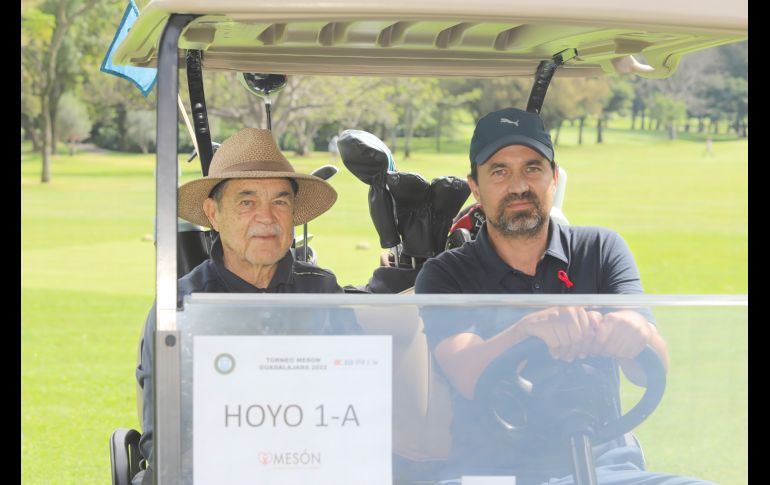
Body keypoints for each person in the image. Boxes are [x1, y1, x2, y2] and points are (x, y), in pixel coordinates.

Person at [415, 107, 712, 484]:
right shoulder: (446, 273)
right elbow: (467, 373)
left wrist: (636, 332)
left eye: (532, 168)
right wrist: (527, 330)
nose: (518, 186)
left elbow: (650, 368)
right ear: (475, 187)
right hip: (493, 472)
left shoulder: (600, 249)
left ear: (553, 178)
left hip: (605, 467)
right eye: (500, 172)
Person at [134, 128, 348, 484]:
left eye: (280, 202)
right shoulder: (180, 307)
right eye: (247, 203)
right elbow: (164, 443)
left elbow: (358, 402)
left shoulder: (323, 292)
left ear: (293, 214)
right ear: (213, 214)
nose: (266, 217)